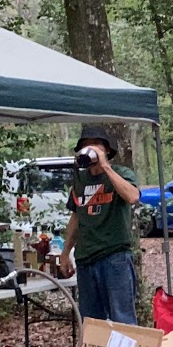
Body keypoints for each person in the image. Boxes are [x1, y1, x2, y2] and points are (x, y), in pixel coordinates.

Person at [60, 126, 141, 323]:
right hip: (86, 259)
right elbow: (76, 217)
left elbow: (132, 197)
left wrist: (105, 166)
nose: (91, 148)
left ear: (107, 150)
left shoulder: (121, 173)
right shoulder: (80, 180)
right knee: (91, 323)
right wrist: (65, 253)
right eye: (86, 145)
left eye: (96, 144)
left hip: (114, 257)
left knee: (123, 319)